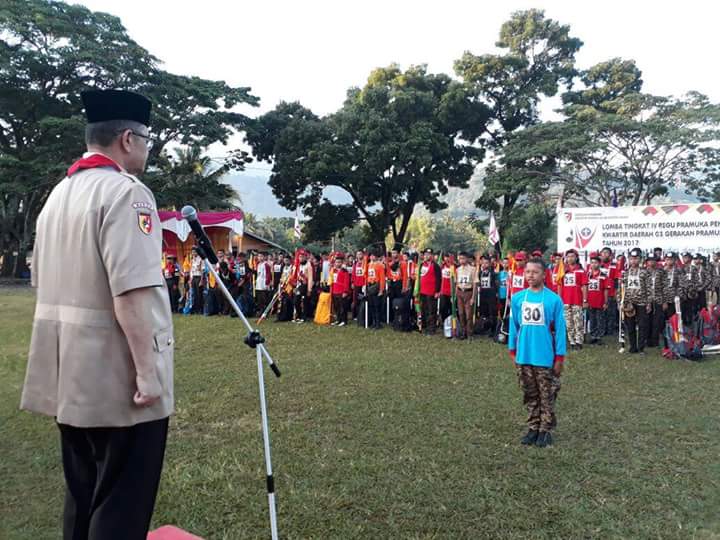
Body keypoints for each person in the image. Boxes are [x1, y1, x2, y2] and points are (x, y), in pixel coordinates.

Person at [21, 89, 172, 540]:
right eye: (147, 139)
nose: (147, 149)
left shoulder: (60, 193)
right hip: (116, 377)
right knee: (121, 504)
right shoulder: (128, 195)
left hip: (68, 372)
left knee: (82, 495)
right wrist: (147, 372)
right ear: (128, 139)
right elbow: (131, 292)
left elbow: (41, 282)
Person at [508, 257, 566, 448]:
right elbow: (514, 327)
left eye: (534, 272)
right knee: (530, 393)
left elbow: (559, 330)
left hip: (544, 357)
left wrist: (559, 358)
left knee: (547, 394)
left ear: (544, 274)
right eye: (527, 272)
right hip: (524, 355)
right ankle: (533, 427)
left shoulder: (553, 300)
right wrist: (513, 351)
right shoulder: (518, 299)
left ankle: (545, 429)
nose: (530, 276)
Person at [621, 248, 649, 354]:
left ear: (640, 259)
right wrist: (621, 301)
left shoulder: (645, 272)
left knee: (642, 325)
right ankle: (633, 346)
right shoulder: (625, 273)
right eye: (632, 258)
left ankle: (641, 347)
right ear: (629, 259)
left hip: (642, 302)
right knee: (630, 325)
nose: (634, 261)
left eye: (636, 258)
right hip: (629, 303)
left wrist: (648, 303)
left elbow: (649, 288)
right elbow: (622, 288)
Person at [561, 249, 588, 350]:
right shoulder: (563, 270)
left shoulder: (581, 271)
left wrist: (585, 300)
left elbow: (585, 286)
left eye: (572, 256)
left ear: (576, 258)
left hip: (577, 300)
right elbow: (560, 285)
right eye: (568, 257)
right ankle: (571, 341)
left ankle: (578, 341)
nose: (570, 258)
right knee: (568, 322)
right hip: (566, 300)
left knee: (578, 321)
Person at [585, 253, 609, 345]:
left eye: (595, 262)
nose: (593, 264)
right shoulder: (587, 275)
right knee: (592, 319)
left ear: (599, 264)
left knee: (600, 319)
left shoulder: (603, 275)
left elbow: (606, 289)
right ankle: (593, 336)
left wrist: (606, 302)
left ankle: (599, 336)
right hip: (590, 301)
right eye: (592, 263)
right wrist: (585, 300)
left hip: (600, 301)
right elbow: (584, 288)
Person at [645, 255, 667, 348]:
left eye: (653, 260)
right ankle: (647, 340)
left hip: (658, 299)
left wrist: (665, 301)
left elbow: (665, 287)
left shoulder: (661, 272)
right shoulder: (644, 272)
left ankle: (655, 341)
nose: (651, 262)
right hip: (647, 300)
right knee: (647, 321)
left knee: (657, 321)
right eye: (649, 261)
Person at [419, 248, 442, 335]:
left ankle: (431, 329)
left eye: (429, 254)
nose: (427, 256)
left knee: (431, 311)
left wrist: (437, 291)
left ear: (432, 256)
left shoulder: (435, 266)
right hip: (422, 291)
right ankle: (425, 327)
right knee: (423, 310)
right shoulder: (421, 265)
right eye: (425, 254)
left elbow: (439, 279)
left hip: (431, 292)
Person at [455, 251, 477, 340]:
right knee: (461, 313)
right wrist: (455, 295)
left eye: (463, 258)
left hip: (468, 292)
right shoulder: (458, 270)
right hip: (460, 292)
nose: (461, 260)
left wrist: (473, 297)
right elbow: (456, 283)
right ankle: (463, 332)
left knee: (468, 314)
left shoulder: (473, 269)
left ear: (467, 259)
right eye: (460, 258)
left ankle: (470, 333)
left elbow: (475, 283)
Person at [599, 247, 620, 336]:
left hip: (611, 292)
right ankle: (601, 330)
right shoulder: (598, 264)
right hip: (600, 293)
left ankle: (610, 330)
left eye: (607, 253)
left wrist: (616, 292)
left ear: (610, 255)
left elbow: (616, 280)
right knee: (601, 313)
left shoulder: (614, 265)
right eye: (603, 253)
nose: (604, 254)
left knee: (611, 312)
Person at [477, 255, 498, 337]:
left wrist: (496, 293)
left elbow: (496, 284)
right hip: (483, 294)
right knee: (483, 312)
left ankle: (493, 330)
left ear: (489, 264)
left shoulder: (493, 273)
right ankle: (485, 328)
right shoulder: (480, 273)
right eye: (483, 263)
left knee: (492, 312)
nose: (484, 265)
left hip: (491, 294)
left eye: (486, 263)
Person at [366, 250, 386, 329]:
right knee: (371, 305)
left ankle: (378, 323)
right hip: (370, 286)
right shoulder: (368, 265)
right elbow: (366, 275)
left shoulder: (380, 265)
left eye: (373, 256)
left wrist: (381, 290)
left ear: (376, 257)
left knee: (376, 305)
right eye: (370, 256)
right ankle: (374, 322)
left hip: (376, 286)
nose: (372, 257)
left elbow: (382, 279)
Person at [330, 254, 351, 326]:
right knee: (336, 307)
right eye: (336, 262)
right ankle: (338, 319)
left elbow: (346, 282)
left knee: (343, 307)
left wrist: (345, 291)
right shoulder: (333, 270)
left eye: (339, 262)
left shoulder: (344, 271)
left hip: (342, 291)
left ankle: (344, 320)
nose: (337, 263)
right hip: (334, 291)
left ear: (342, 263)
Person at [351, 250, 366, 320]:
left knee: (362, 299)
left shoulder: (365, 264)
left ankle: (362, 314)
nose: (359, 256)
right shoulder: (355, 264)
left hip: (363, 284)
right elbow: (353, 274)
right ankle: (355, 315)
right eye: (358, 254)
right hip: (356, 284)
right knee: (355, 300)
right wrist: (352, 282)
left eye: (360, 254)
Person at [439, 254, 454, 323]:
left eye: (448, 257)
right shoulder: (442, 266)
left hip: (451, 291)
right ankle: (444, 321)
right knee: (443, 307)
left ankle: (451, 322)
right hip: (443, 291)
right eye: (446, 257)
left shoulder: (454, 267)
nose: (447, 259)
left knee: (451, 308)